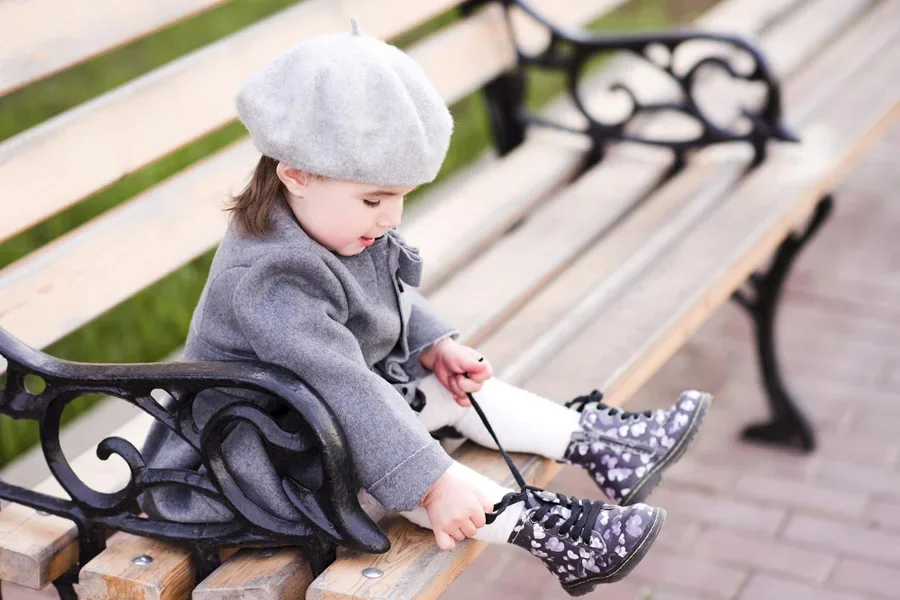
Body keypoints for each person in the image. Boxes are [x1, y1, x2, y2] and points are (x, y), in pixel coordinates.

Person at [139, 19, 711, 595]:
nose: (391, 219)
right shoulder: (269, 278)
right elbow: (341, 387)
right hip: (254, 455)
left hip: (317, 420)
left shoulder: (334, 221)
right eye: (375, 200)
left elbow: (388, 296)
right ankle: (551, 531)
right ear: (296, 175)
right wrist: (433, 483)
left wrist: (434, 344)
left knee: (451, 389)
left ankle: (601, 446)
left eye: (400, 200)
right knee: (409, 470)